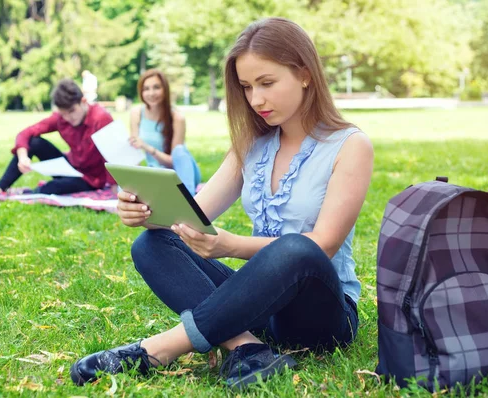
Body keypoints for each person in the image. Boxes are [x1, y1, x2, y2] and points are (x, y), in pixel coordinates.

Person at [70, 17, 374, 389]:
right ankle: (248, 348)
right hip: (261, 309)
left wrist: (231, 246)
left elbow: (323, 244)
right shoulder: (251, 145)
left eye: (267, 83)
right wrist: (143, 211)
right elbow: (191, 215)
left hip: (323, 315)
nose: (255, 99)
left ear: (305, 74)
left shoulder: (350, 145)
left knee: (298, 248)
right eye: (246, 87)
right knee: (152, 244)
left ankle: (159, 349)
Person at [0, 79, 114, 195]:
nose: (69, 118)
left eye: (72, 111)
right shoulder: (61, 118)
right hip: (70, 167)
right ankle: (0, 187)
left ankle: (30, 194)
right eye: (64, 114)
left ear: (83, 101)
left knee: (54, 187)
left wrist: (113, 187)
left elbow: (111, 154)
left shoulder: (100, 118)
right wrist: (22, 157)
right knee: (34, 142)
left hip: (92, 178)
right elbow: (26, 133)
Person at [128, 69, 201, 195]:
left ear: (165, 89)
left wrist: (147, 148)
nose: (151, 93)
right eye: (146, 89)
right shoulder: (136, 113)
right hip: (156, 171)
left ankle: (189, 200)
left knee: (179, 150)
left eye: (156, 87)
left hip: (181, 171)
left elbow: (176, 160)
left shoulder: (177, 118)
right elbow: (135, 154)